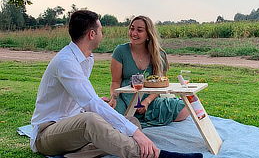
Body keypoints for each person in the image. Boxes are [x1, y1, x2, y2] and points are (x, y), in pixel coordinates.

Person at [30, 10, 202, 158]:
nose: (101, 35)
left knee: (131, 121)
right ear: (92, 34)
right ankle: (155, 155)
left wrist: (101, 103)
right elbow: (91, 103)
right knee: (94, 121)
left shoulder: (86, 58)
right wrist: (137, 136)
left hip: (72, 126)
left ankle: (72, 156)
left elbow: (80, 96)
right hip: (48, 132)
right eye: (100, 31)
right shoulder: (66, 62)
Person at [109, 15, 189, 128]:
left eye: (139, 30)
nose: (134, 33)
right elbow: (115, 82)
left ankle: (143, 118)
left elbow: (161, 84)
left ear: (148, 34)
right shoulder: (120, 51)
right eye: (132, 28)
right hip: (125, 99)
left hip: (149, 100)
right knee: (113, 120)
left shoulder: (159, 54)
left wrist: (147, 101)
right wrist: (114, 98)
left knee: (185, 108)